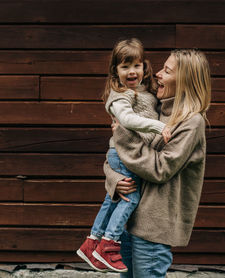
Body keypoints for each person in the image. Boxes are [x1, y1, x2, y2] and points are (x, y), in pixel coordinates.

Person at [104, 49, 211, 277]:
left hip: (153, 228)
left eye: (167, 71)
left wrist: (124, 136)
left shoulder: (191, 122)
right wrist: (115, 180)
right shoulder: (153, 110)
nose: (158, 75)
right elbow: (116, 154)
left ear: (184, 80)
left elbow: (160, 169)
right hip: (130, 222)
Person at [76, 38, 171, 273]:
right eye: (125, 66)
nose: (132, 71)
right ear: (115, 71)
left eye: (136, 66)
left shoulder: (141, 91)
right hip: (123, 153)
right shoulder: (120, 96)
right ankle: (108, 243)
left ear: (144, 67)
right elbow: (127, 120)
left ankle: (93, 242)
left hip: (127, 152)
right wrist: (160, 128)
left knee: (113, 200)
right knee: (131, 197)